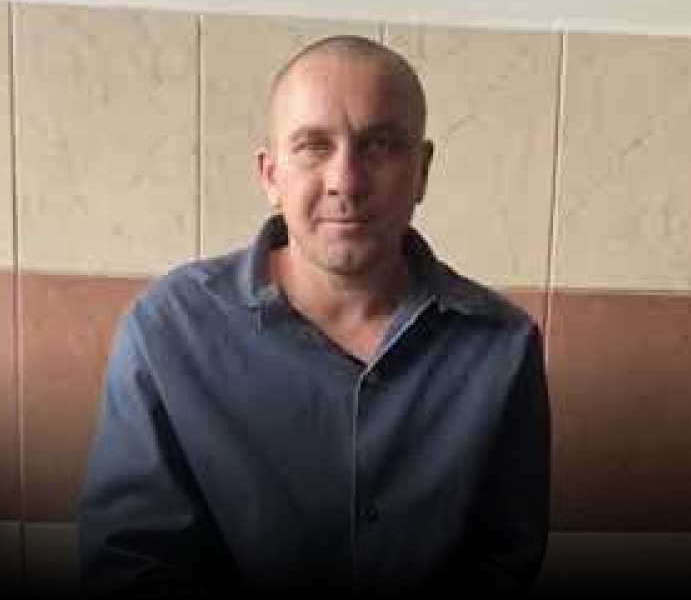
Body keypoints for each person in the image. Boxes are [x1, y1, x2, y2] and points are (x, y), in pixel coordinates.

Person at [77, 34, 551, 598]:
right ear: (270, 174)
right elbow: (130, 565)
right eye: (313, 146)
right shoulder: (167, 330)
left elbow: (502, 563)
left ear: (422, 171)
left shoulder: (503, 346)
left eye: (379, 145)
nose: (346, 181)